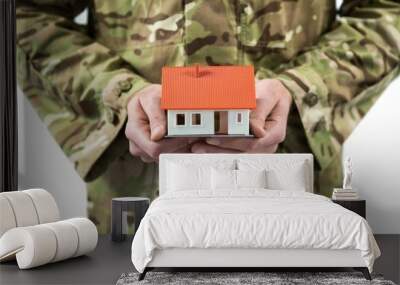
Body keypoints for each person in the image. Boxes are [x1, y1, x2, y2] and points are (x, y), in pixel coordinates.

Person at [16, 0, 400, 233]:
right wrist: (117, 93)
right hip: (139, 190)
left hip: (289, 179)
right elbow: (23, 15)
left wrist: (301, 87)